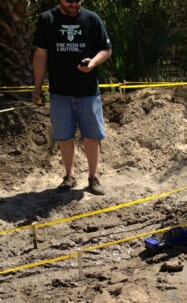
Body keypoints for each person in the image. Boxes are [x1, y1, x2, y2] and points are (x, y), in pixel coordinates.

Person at [32, 0, 112, 195]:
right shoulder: (47, 19)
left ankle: (93, 178)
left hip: (88, 92)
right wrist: (37, 87)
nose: (74, 5)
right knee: (64, 136)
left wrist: (93, 63)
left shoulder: (92, 18)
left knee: (91, 136)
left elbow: (106, 49)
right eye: (69, 1)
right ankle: (69, 176)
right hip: (59, 92)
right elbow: (41, 54)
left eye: (77, 1)